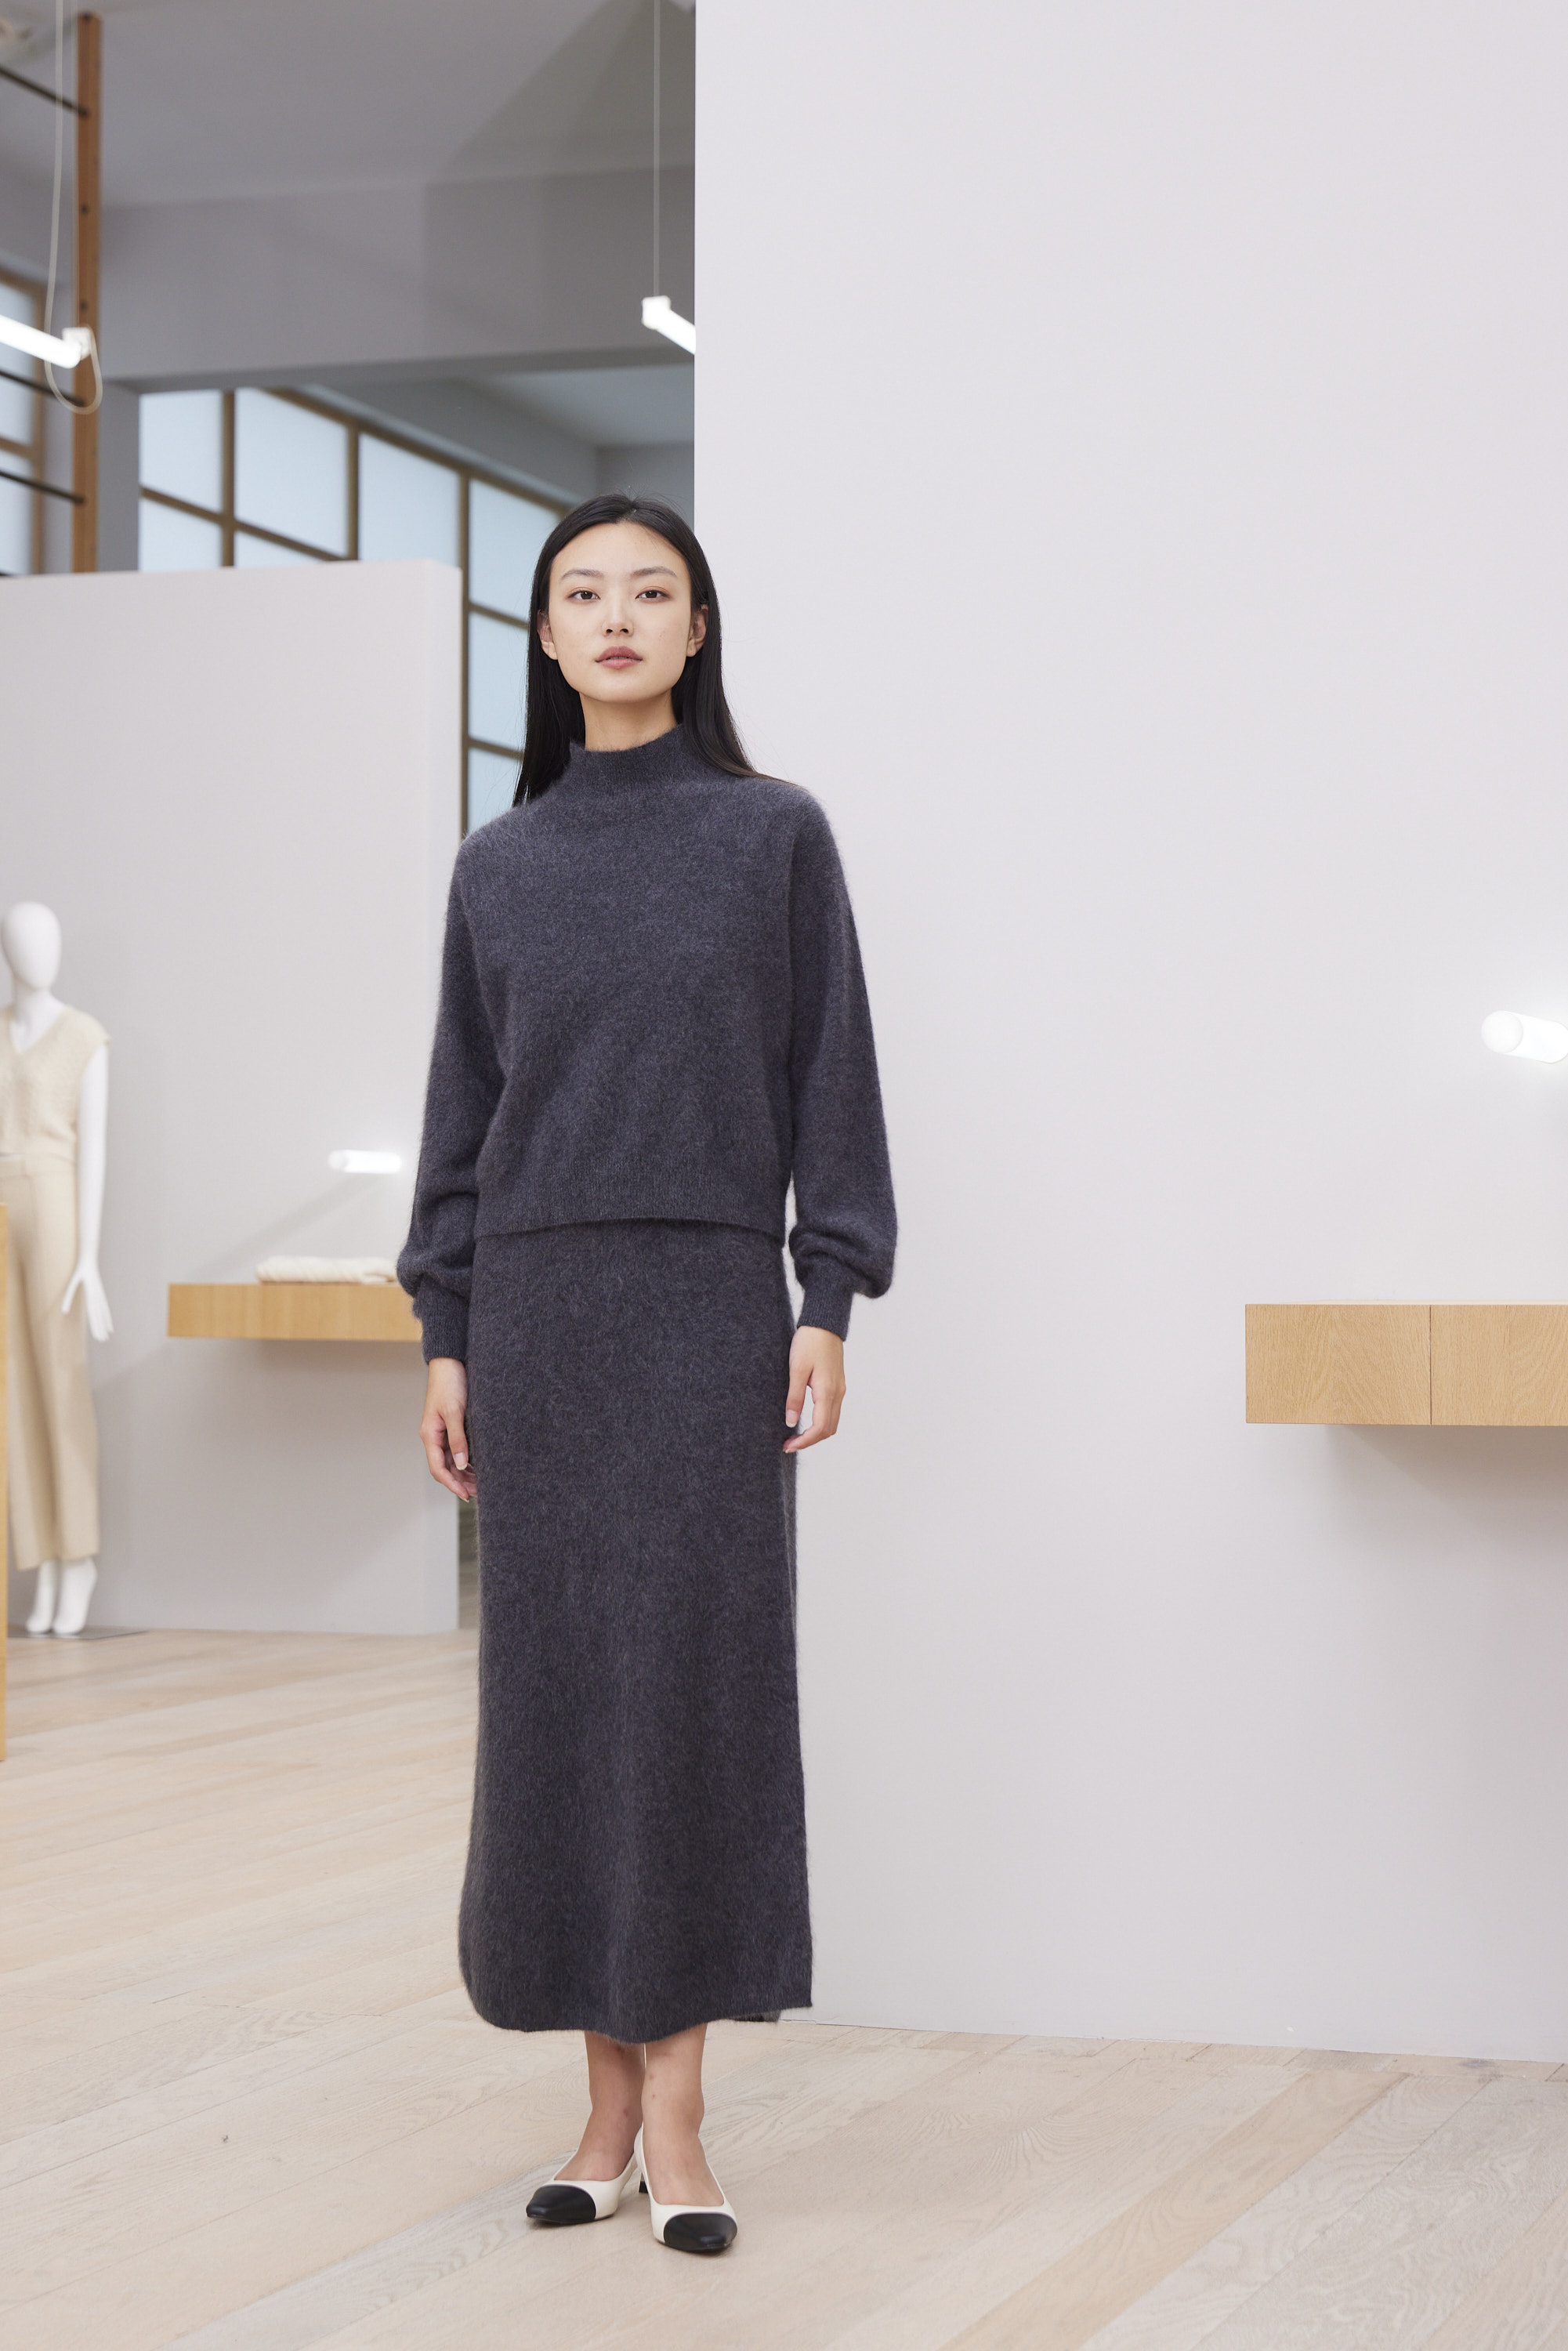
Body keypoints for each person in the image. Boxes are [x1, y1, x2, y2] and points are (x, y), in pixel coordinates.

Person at [398, 492, 896, 2256]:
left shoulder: (773, 836)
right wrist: (445, 1331)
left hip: (703, 1316)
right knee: (556, 1705)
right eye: (582, 593)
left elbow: (831, 1079)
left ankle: (673, 2115)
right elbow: (460, 1119)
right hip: (536, 1322)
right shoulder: (500, 863)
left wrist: (826, 1295)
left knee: (689, 1696)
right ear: (545, 636)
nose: (615, 616)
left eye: (651, 591)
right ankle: (599, 2109)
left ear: (696, 630)